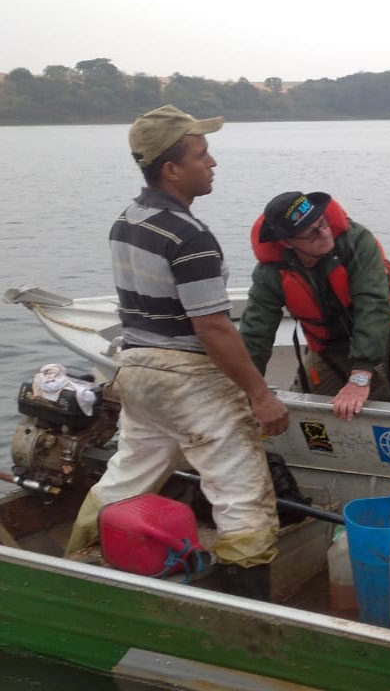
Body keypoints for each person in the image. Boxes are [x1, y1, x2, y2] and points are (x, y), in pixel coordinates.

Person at [66, 105, 287, 600]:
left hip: (138, 368)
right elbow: (212, 327)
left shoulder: (127, 221)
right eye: (202, 154)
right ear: (171, 168)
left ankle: (76, 564)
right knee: (242, 501)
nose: (213, 163)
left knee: (129, 475)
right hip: (189, 378)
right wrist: (260, 394)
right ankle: (250, 621)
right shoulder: (191, 237)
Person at [240, 191, 390, 418]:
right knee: (304, 405)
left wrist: (360, 375)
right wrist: (247, 391)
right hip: (332, 341)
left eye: (323, 223)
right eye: (311, 233)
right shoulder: (270, 273)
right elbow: (256, 333)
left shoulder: (357, 240)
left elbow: (373, 304)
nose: (324, 233)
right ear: (287, 242)